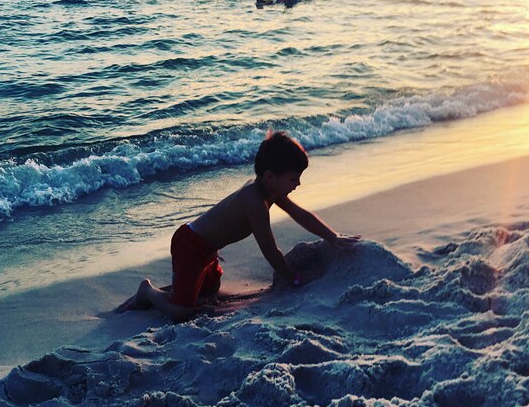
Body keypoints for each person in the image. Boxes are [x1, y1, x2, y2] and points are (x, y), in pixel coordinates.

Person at [118, 131, 359, 321]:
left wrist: (333, 236)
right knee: (183, 311)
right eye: (294, 178)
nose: (298, 183)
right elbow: (270, 251)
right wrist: (293, 279)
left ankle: (179, 287)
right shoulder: (254, 202)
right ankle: (147, 291)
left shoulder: (270, 191)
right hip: (189, 245)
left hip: (208, 250)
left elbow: (301, 215)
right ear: (270, 176)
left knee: (209, 291)